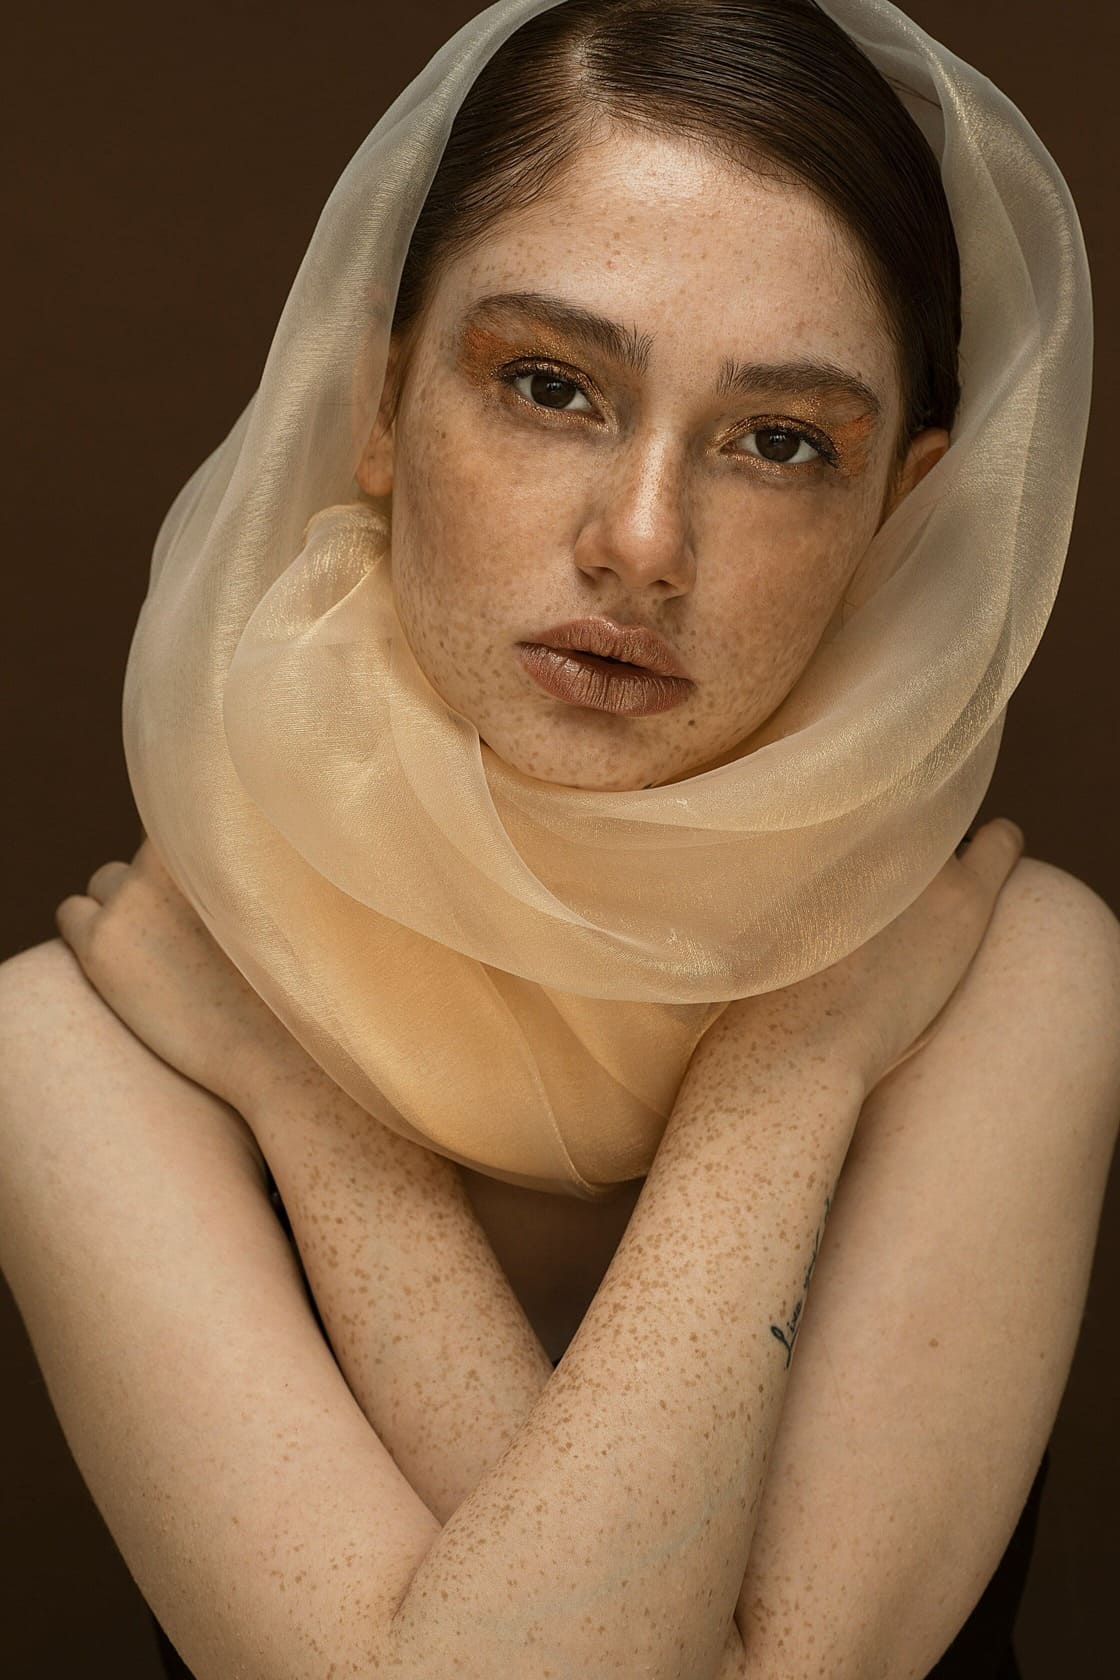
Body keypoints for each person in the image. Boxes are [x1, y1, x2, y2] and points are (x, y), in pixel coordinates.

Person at [0, 2, 1115, 1678]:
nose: (644, 543)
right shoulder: (66, 1051)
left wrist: (776, 1071)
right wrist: (799, 1072)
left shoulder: (1021, 974)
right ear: (379, 407)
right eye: (550, 385)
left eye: (780, 442)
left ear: (904, 510)